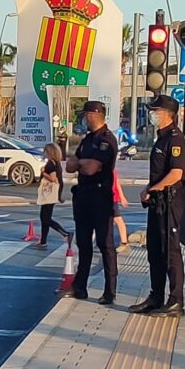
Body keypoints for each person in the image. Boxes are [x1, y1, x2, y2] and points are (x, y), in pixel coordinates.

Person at [129, 95, 185, 317]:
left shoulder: (176, 139)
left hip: (170, 203)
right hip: (157, 203)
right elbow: (161, 172)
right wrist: (149, 188)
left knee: (170, 252)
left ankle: (176, 301)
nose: (152, 114)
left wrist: (153, 189)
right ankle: (156, 297)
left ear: (167, 114)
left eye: (156, 111)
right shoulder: (161, 138)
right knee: (154, 251)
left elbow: (176, 173)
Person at [61, 101, 118, 304]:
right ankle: (80, 287)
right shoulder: (87, 140)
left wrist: (81, 163)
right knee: (83, 243)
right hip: (83, 197)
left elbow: (92, 168)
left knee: (105, 245)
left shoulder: (107, 140)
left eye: (86, 115)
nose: (84, 118)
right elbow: (69, 165)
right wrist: (81, 164)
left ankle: (109, 291)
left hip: (100, 198)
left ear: (94, 115)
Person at [34, 143, 70, 250]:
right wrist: (59, 196)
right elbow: (60, 181)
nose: (44, 153)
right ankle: (43, 241)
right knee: (45, 218)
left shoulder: (50, 164)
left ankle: (65, 233)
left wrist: (43, 173)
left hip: (48, 193)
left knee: (45, 218)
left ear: (49, 152)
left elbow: (53, 178)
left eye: (45, 151)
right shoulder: (57, 163)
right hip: (53, 193)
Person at [113, 168, 131, 253]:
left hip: (110, 198)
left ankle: (124, 243)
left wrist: (122, 197)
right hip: (104, 197)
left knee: (118, 219)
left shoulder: (109, 168)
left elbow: (117, 183)